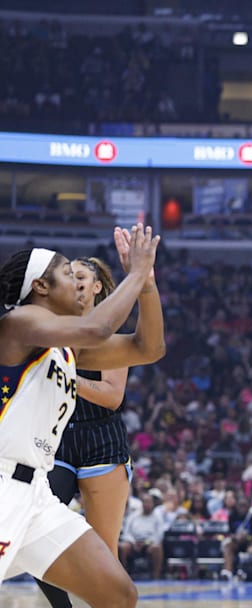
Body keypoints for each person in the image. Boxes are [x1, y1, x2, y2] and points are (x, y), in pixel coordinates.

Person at [0, 224, 162, 607]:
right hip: (2, 484)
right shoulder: (18, 323)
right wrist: (134, 272)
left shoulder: (67, 348)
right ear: (41, 286)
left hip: (36, 494)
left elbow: (148, 347)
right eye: (68, 275)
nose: (79, 284)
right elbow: (98, 326)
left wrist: (147, 285)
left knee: (117, 594)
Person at [35, 256, 134, 608]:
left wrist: (66, 374)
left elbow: (112, 397)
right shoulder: (45, 331)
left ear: (95, 288)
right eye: (68, 275)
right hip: (55, 441)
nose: (74, 280)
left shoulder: (113, 337)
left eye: (81, 276)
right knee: (35, 533)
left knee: (104, 557)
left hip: (102, 441)